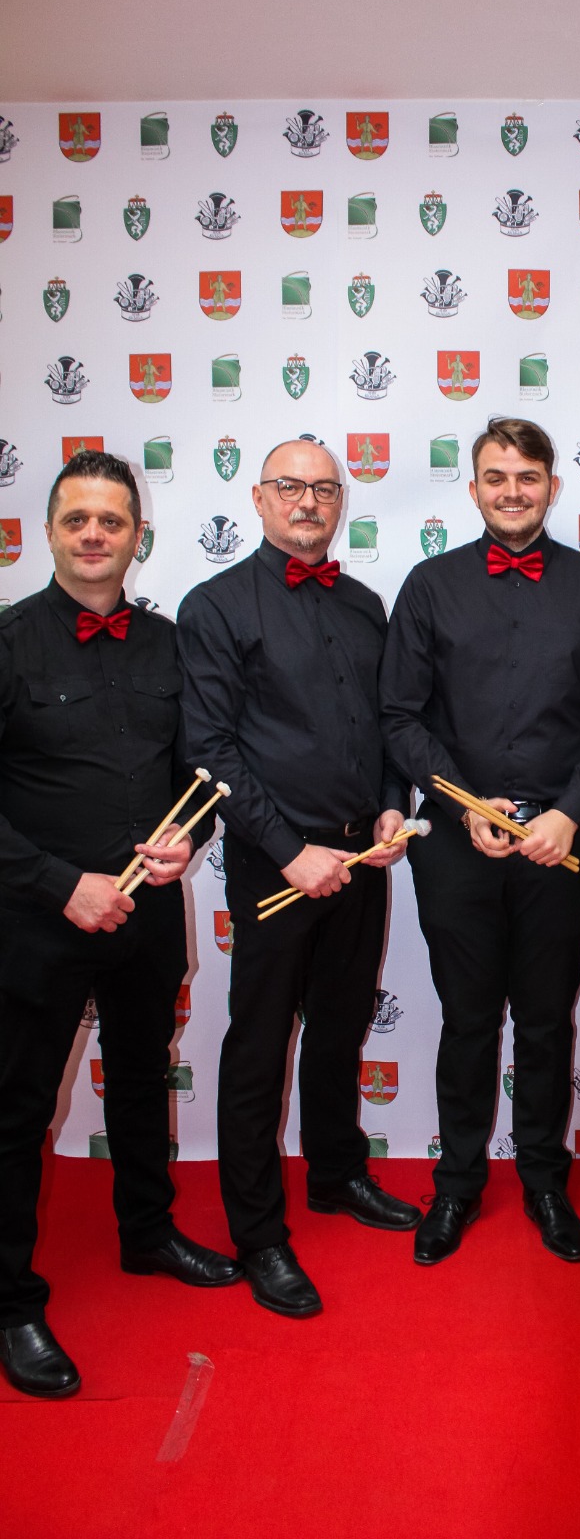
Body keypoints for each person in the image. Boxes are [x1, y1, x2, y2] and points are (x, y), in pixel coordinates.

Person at [0, 451, 240, 1401]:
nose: (94, 535)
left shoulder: (172, 643)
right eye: (77, 520)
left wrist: (192, 837)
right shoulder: (8, 641)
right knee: (17, 1111)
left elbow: (202, 773)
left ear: (138, 535)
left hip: (147, 917)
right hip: (35, 921)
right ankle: (11, 1302)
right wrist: (62, 885)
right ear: (48, 533)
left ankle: (147, 1233)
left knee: (143, 1080)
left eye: (111, 520)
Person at [379, 417, 580, 1266]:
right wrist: (463, 807)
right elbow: (400, 716)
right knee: (466, 1019)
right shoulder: (429, 586)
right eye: (496, 477)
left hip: (561, 842)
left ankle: (543, 1181)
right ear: (474, 489)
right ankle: (456, 1185)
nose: (512, 491)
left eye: (528, 476)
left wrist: (567, 811)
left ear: (553, 487)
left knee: (546, 1019)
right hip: (458, 841)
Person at [176, 439, 420, 1319]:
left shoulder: (364, 605)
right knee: (259, 1043)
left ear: (340, 502)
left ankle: (336, 1174)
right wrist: (288, 850)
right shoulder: (214, 606)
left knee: (341, 1027)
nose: (309, 501)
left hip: (362, 858)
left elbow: (388, 725)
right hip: (275, 862)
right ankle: (258, 1234)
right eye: (291, 486)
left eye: (324, 488)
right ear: (259, 498)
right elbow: (210, 749)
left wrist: (391, 807)